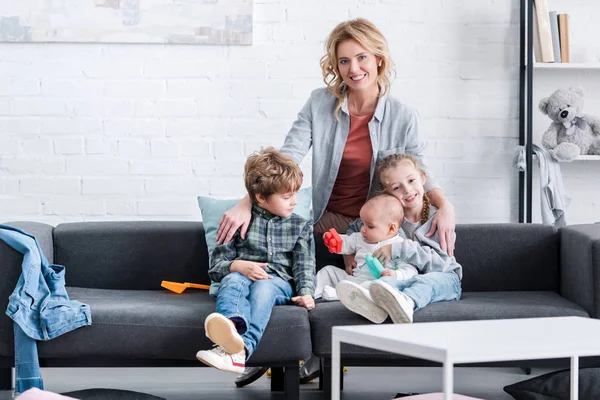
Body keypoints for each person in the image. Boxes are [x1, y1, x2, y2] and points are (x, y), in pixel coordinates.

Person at [219, 18, 456, 386]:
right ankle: (266, 349)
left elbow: (420, 170)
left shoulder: (403, 116)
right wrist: (249, 201)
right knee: (285, 269)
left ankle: (315, 359)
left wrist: (447, 207)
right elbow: (288, 157)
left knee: (356, 279)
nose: (353, 69)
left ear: (378, 58)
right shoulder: (320, 103)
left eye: (361, 57)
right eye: (343, 61)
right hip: (328, 219)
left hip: (373, 225)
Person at [195, 147, 315, 374]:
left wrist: (306, 291)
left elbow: (304, 264)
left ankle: (241, 348)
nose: (294, 202)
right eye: (287, 196)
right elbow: (217, 267)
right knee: (232, 280)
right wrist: (236, 265)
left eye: (295, 194)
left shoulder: (300, 226)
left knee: (263, 288)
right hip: (241, 276)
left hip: (278, 282)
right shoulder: (237, 220)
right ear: (261, 197)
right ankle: (230, 334)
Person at [339, 154, 462, 324]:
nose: (407, 190)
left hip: (443, 278)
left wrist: (396, 249)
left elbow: (442, 263)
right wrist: (348, 254)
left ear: (423, 178)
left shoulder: (439, 218)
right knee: (385, 282)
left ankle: (407, 303)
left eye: (411, 181)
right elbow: (355, 227)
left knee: (423, 281)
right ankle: (372, 302)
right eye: (397, 187)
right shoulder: (389, 219)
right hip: (405, 279)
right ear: (388, 194)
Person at [314, 194, 418, 315]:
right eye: (362, 223)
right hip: (354, 279)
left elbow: (411, 270)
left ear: (391, 229)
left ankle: (339, 295)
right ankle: (313, 295)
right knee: (328, 271)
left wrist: (396, 274)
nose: (363, 229)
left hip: (376, 284)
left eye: (370, 226)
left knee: (380, 285)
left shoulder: (398, 246)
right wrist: (334, 241)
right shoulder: (361, 238)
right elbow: (347, 243)